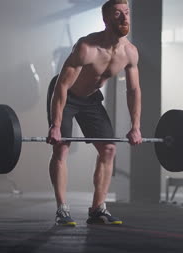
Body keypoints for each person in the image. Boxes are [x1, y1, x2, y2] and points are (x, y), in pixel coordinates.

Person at [47, 0, 142, 227]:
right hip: (67, 95)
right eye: (118, 14)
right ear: (106, 19)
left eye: (127, 13)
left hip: (90, 99)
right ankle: (62, 209)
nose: (124, 18)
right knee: (62, 147)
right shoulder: (86, 47)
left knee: (109, 148)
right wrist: (56, 125)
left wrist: (136, 126)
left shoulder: (130, 52)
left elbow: (133, 90)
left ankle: (98, 209)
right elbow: (62, 85)